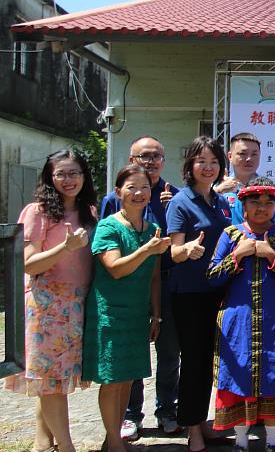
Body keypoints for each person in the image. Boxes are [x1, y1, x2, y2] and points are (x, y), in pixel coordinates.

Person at [4, 150, 97, 452]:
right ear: (49, 177)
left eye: (74, 173)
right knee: (51, 380)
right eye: (61, 173)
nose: (68, 180)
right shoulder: (37, 211)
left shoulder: (90, 212)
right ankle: (67, 447)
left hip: (77, 302)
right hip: (46, 305)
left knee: (55, 380)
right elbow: (29, 264)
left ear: (85, 176)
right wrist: (66, 248)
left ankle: (42, 443)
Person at [207, 178, 275, 452]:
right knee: (238, 376)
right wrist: (237, 256)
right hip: (237, 322)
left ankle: (272, 442)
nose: (262, 208)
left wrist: (272, 256)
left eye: (268, 203)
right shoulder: (230, 235)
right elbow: (212, 277)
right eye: (255, 202)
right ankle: (241, 441)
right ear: (243, 205)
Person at [82, 165, 171, 452]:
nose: (139, 193)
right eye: (131, 187)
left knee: (127, 379)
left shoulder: (152, 230)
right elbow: (116, 269)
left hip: (136, 314)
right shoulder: (109, 226)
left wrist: (155, 313)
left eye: (144, 187)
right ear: (118, 191)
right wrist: (147, 249)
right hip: (110, 312)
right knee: (112, 379)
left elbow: (155, 276)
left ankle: (112, 440)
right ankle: (115, 443)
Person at [98, 135, 181, 438]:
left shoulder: (174, 195)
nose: (150, 161)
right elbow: (106, 248)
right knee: (130, 354)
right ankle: (130, 415)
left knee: (170, 353)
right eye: (143, 156)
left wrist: (173, 209)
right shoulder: (113, 200)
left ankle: (167, 410)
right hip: (126, 287)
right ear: (132, 160)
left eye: (156, 156)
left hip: (165, 283)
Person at [166, 136, 232, 452]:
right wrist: (187, 249)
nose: (208, 167)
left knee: (209, 361)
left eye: (214, 162)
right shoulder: (181, 201)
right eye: (201, 161)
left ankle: (201, 419)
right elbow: (174, 252)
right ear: (190, 166)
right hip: (190, 294)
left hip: (218, 291)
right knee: (193, 360)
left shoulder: (220, 201)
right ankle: (192, 427)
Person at [215, 132, 261, 224]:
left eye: (254, 154)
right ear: (230, 156)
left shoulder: (268, 188)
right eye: (243, 154)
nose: (249, 159)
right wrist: (217, 191)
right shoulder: (217, 187)